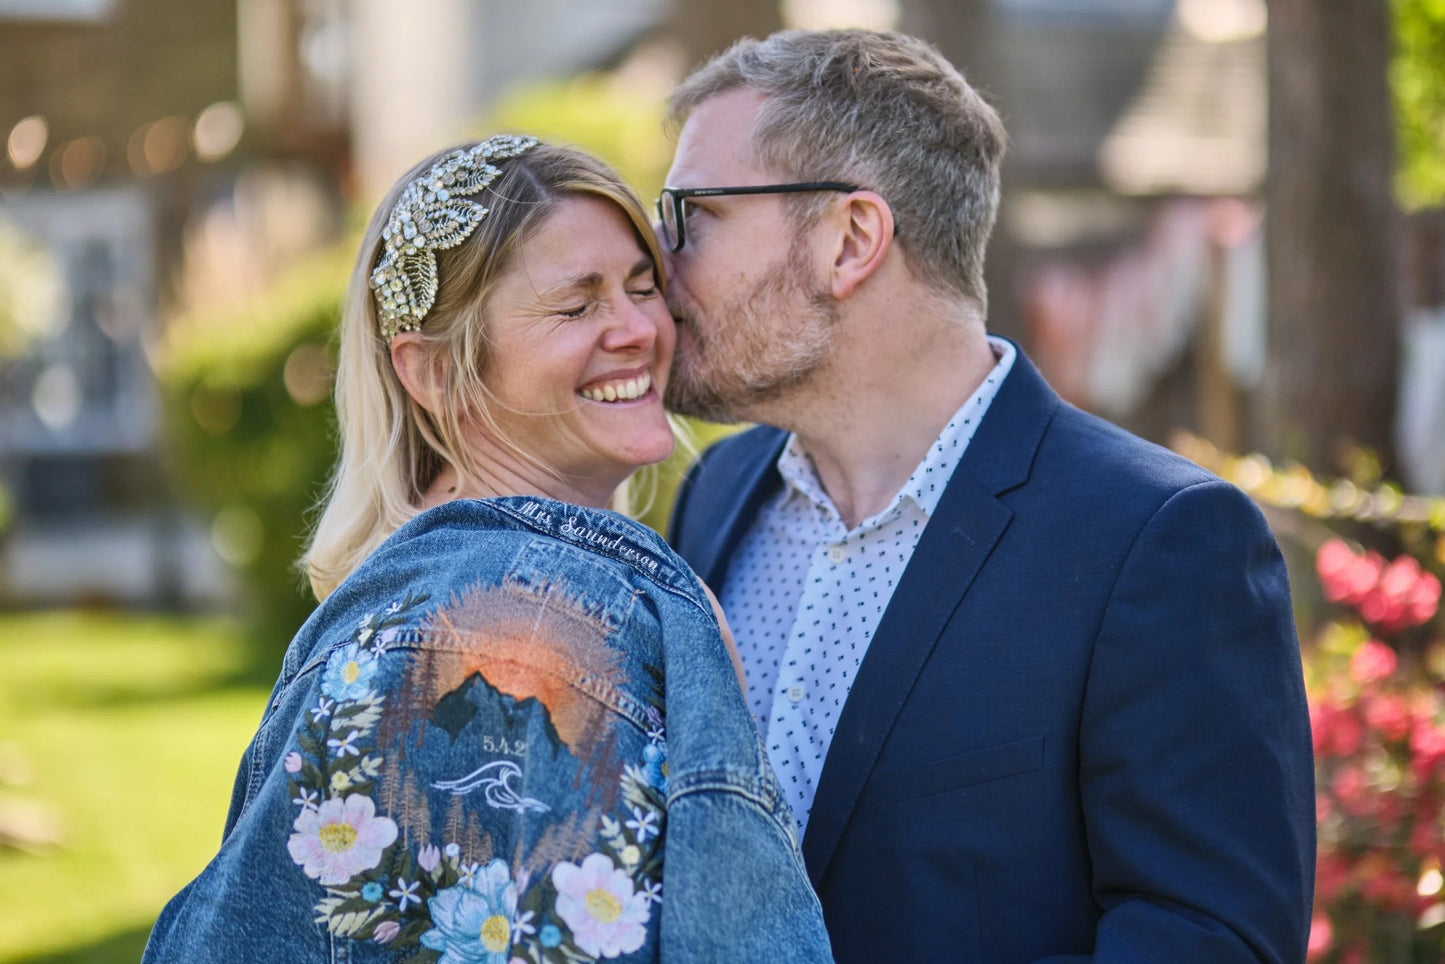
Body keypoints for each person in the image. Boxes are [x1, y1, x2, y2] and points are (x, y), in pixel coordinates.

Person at [662, 29, 1315, 963]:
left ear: (850, 240)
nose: (656, 262)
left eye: (692, 215)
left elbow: (1210, 939)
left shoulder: (1159, 540)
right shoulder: (716, 494)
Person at [143, 136, 833, 963]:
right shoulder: (537, 626)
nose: (638, 329)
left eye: (643, 287)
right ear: (433, 372)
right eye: (576, 306)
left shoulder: (405, 598)